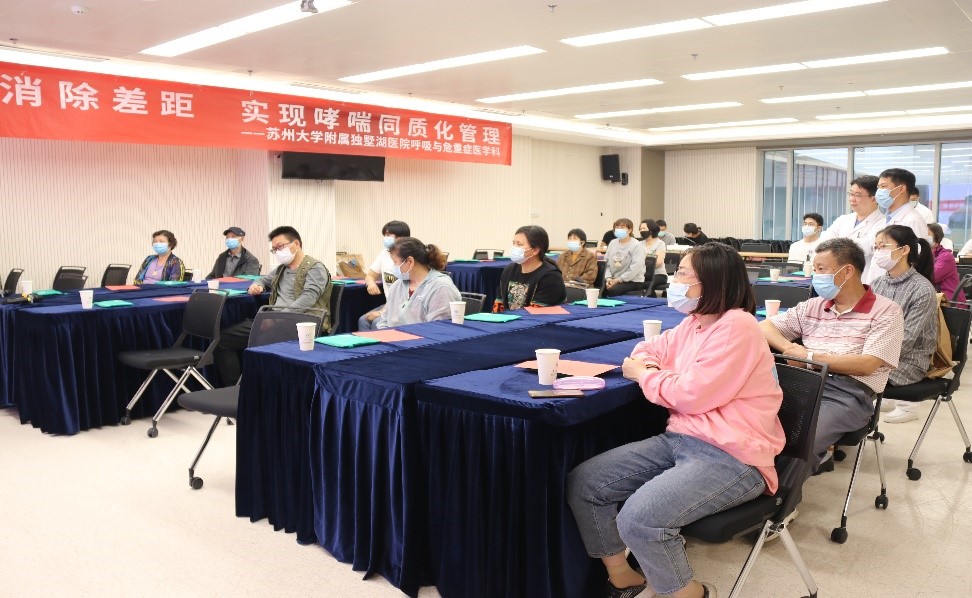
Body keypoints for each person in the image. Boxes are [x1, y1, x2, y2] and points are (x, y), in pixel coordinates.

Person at [567, 243, 784, 598]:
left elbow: (690, 395)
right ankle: (622, 577)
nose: (674, 280)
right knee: (586, 483)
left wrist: (644, 375)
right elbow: (647, 349)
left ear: (711, 282)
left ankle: (692, 593)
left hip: (734, 456)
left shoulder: (739, 326)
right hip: (682, 438)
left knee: (639, 520)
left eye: (683, 274)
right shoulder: (695, 323)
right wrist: (651, 368)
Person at [760, 238, 903, 473]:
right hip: (800, 383)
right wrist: (789, 349)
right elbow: (765, 327)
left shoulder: (886, 311)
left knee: (800, 438)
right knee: (752, 424)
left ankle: (781, 493)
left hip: (847, 393)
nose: (815, 276)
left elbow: (868, 364)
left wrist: (810, 357)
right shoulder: (813, 306)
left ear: (847, 271)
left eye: (821, 269)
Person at [213, 226, 332, 386]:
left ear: (296, 244)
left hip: (300, 323)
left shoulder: (315, 268)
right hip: (273, 319)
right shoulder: (282, 269)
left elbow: (308, 298)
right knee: (222, 340)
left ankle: (255, 388)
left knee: (259, 342)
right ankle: (236, 390)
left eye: (280, 247)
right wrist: (257, 286)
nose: (278, 252)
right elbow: (262, 279)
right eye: (274, 249)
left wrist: (277, 318)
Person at [870, 225, 938, 424]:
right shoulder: (877, 284)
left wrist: (868, 357)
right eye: (876, 247)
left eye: (883, 246)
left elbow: (907, 340)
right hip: (877, 353)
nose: (878, 252)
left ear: (905, 249)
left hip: (909, 360)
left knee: (848, 375)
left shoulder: (922, 289)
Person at [373, 237, 461, 328]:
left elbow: (438, 329)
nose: (393, 266)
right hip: (393, 336)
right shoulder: (397, 285)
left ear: (410, 261)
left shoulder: (441, 287)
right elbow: (384, 322)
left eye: (395, 262)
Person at [864, 168, 927, 283]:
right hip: (878, 283)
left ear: (901, 189)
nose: (879, 192)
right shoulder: (884, 220)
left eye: (883, 186)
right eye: (878, 187)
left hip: (900, 286)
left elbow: (917, 260)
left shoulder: (913, 220)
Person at [493, 225, 566, 311]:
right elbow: (499, 305)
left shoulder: (551, 276)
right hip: (510, 319)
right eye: (514, 243)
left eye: (519, 244)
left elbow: (535, 313)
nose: (514, 248)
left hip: (535, 319)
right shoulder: (509, 270)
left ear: (535, 250)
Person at [825, 175, 885, 275]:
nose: (852, 199)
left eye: (858, 195)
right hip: (839, 276)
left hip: (865, 277)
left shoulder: (883, 224)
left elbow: (862, 250)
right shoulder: (843, 220)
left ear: (874, 199)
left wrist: (837, 246)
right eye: (851, 194)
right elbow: (825, 242)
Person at [359, 220, 411, 331]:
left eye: (389, 235)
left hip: (404, 306)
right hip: (390, 304)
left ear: (401, 238)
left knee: (377, 322)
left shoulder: (408, 258)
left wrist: (381, 312)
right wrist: (371, 283)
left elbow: (404, 295)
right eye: (385, 235)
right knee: (363, 320)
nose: (386, 238)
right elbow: (370, 276)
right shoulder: (384, 253)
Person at [603, 218, 647, 297]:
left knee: (612, 290)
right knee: (599, 287)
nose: (619, 229)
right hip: (613, 278)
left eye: (622, 227)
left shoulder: (636, 245)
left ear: (630, 230)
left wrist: (618, 280)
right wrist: (608, 278)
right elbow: (606, 264)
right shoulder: (612, 243)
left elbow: (635, 269)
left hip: (633, 281)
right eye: (617, 227)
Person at [929, 223, 965, 302]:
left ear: (937, 237)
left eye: (927, 234)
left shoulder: (946, 256)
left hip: (949, 302)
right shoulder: (930, 254)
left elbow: (931, 277)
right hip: (938, 299)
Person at [639, 219, 668, 285]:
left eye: (644, 228)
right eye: (640, 229)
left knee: (643, 284)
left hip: (658, 274)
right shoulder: (640, 244)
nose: (642, 230)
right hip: (643, 274)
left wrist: (641, 265)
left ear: (651, 230)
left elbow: (658, 262)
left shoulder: (660, 243)